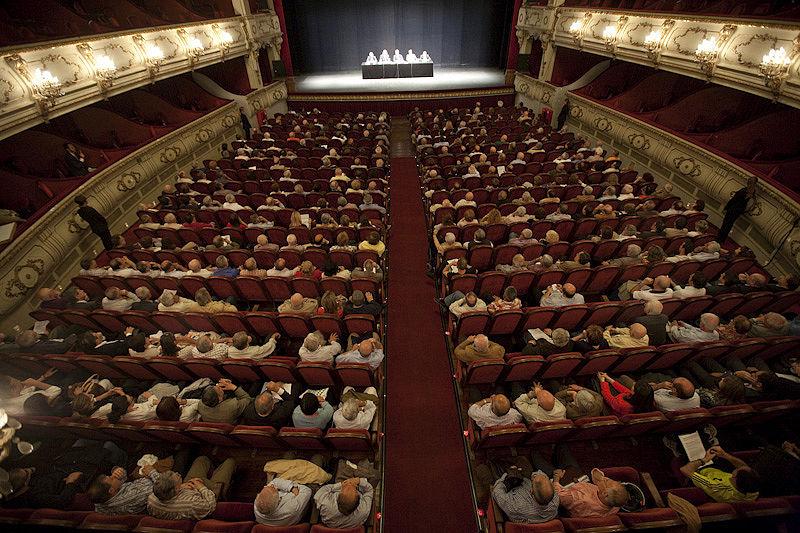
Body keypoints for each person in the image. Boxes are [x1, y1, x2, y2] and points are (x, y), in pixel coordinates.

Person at [533, 445, 629, 518]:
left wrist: (556, 477)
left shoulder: (580, 500)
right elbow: (597, 476)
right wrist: (600, 477)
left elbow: (558, 496)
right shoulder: (615, 505)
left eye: (607, 481)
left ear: (605, 494)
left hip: (562, 485)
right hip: (579, 478)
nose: (605, 478)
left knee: (535, 456)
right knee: (562, 447)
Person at [148, 456, 236, 520]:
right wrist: (201, 487)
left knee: (201, 459)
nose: (178, 473)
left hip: (187, 488)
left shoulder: (152, 499)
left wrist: (182, 486)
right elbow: (210, 506)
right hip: (208, 494)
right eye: (177, 477)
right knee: (230, 462)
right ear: (176, 490)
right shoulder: (191, 505)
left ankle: (213, 468)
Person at [680, 446, 759, 503]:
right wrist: (724, 455)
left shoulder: (716, 487)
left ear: (734, 475)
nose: (742, 466)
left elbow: (685, 469)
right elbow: (743, 467)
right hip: (717, 469)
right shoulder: (752, 492)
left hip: (700, 470)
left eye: (739, 469)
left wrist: (705, 459)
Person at [492, 464, 559, 524]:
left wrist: (507, 475)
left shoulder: (516, 507)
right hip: (523, 480)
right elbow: (541, 476)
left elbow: (497, 491)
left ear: (531, 491)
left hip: (509, 486)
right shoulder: (555, 501)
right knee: (522, 460)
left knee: (492, 466)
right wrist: (536, 476)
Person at [89, 464, 161, 515]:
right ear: (111, 490)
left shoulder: (99, 503)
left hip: (141, 480)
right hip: (158, 483)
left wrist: (120, 472)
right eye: (111, 478)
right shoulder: (133, 495)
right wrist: (152, 472)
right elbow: (162, 487)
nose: (112, 476)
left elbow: (120, 484)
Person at [718, 177, 757, 243]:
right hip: (739, 210)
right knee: (730, 224)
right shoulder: (753, 191)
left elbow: (733, 200)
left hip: (733, 209)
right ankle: (722, 239)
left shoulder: (743, 191)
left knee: (725, 223)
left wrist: (726, 207)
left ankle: (719, 238)